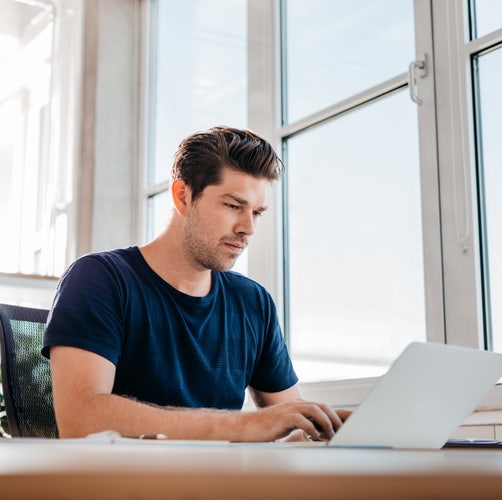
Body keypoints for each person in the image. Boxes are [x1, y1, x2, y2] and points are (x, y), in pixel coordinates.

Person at [41, 126, 349, 442]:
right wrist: (243, 426)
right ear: (183, 196)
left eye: (257, 212)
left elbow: (291, 422)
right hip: (127, 488)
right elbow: (80, 420)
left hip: (222, 487)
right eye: (233, 205)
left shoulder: (253, 302)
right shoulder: (99, 279)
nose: (248, 228)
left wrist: (332, 428)